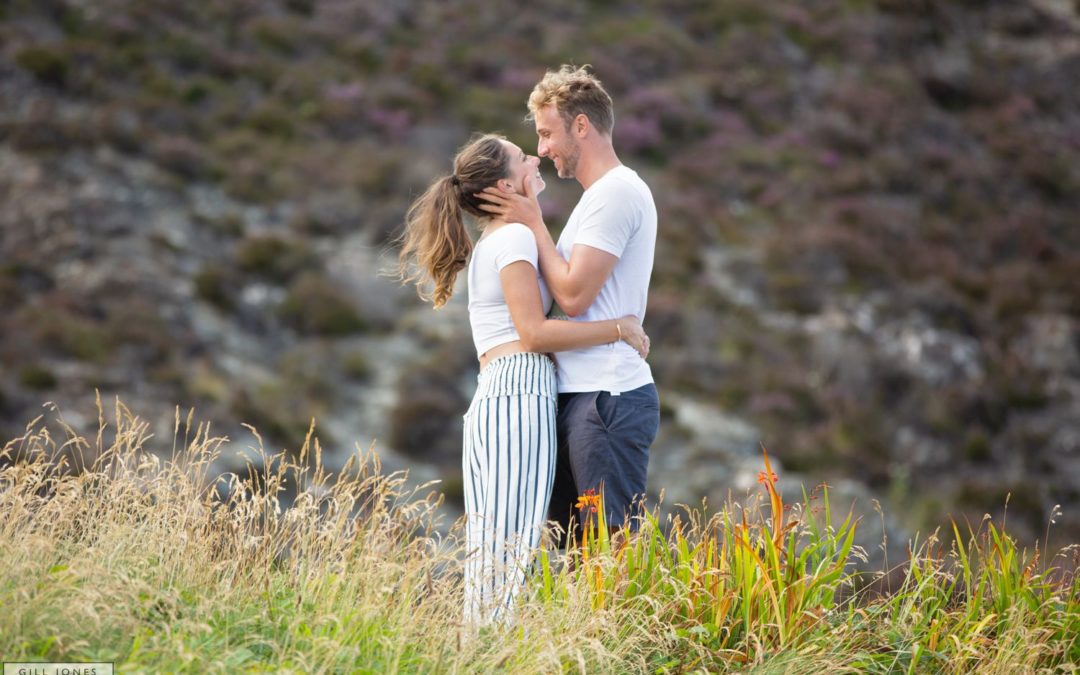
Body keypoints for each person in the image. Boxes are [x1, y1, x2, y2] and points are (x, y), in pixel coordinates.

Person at [396, 133, 649, 624]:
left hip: (507, 390)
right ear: (507, 184)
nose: (536, 157)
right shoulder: (512, 238)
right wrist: (619, 328)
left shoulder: (509, 235)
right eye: (522, 156)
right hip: (517, 389)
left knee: (500, 552)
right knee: (509, 555)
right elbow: (533, 333)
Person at [477, 65, 660, 545]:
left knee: (609, 548)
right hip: (583, 394)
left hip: (608, 396)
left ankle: (620, 625)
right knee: (578, 552)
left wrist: (535, 223)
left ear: (582, 126)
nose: (542, 149)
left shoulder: (615, 193)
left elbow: (575, 297)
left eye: (546, 133)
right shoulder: (595, 199)